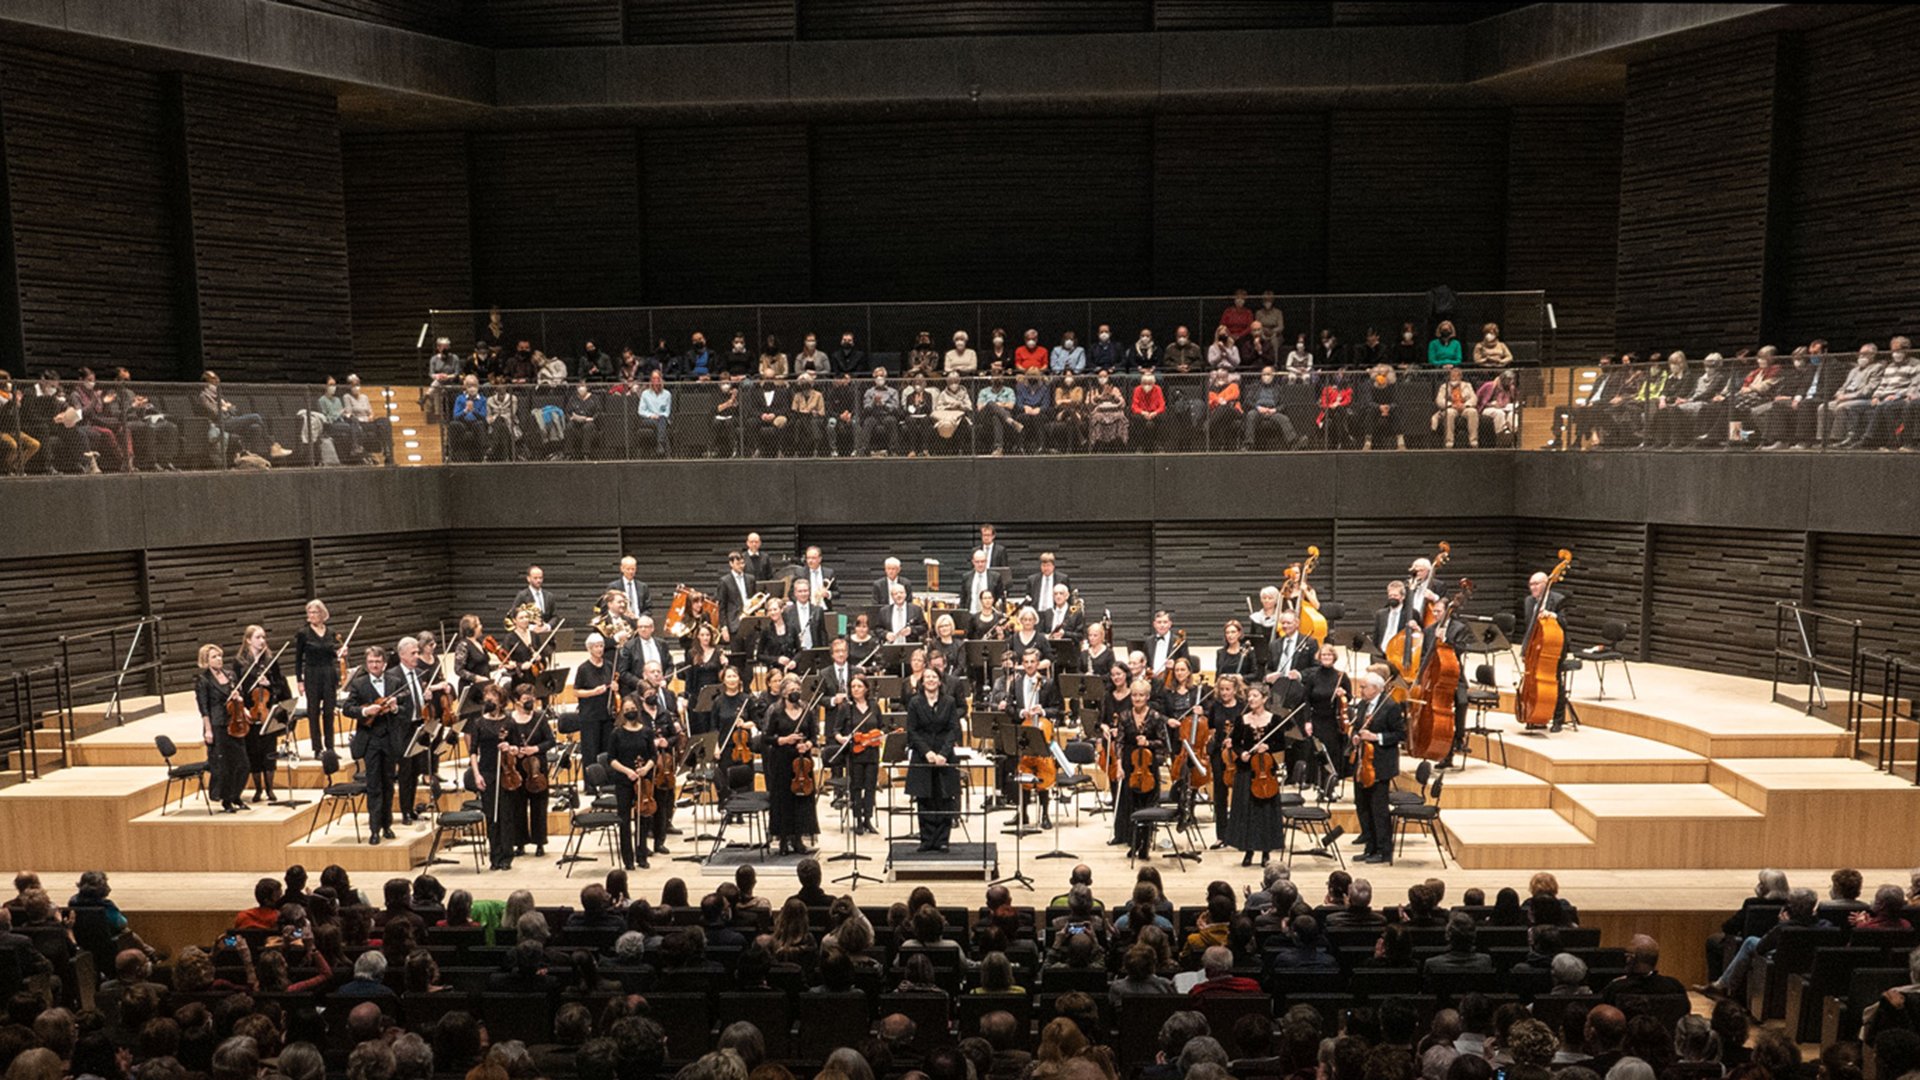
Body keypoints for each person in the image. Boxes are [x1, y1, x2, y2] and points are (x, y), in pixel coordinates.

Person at [343, 645, 410, 843]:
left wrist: (395, 708)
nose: (374, 665)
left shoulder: (395, 682)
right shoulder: (359, 684)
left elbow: (406, 709)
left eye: (377, 662)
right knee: (374, 785)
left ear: (384, 664)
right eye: (371, 662)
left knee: (388, 784)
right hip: (370, 740)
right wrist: (365, 711)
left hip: (389, 740)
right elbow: (347, 708)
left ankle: (387, 825)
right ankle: (374, 829)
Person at [1223, 683, 1286, 866]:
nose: (1251, 699)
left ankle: (1266, 852)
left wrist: (1268, 746)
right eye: (1249, 696)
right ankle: (1248, 851)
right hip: (1246, 771)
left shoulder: (1274, 720)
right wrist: (1241, 752)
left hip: (1265, 771)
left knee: (1265, 813)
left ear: (1264, 699)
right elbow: (1235, 743)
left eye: (1255, 696)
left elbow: (1281, 744)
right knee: (1247, 812)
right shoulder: (1242, 720)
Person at [906, 667, 964, 852]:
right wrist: (927, 752)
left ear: (939, 681)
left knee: (944, 798)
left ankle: (942, 840)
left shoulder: (949, 701)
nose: (930, 680)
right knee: (924, 798)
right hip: (923, 756)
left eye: (934, 677)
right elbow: (912, 731)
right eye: (927, 677)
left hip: (944, 755)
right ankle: (927, 840)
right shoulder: (915, 702)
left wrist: (943, 754)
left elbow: (953, 729)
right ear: (922, 682)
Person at [1349, 672, 1405, 864]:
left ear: (1376, 688)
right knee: (1363, 807)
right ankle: (1370, 847)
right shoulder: (1363, 704)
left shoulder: (1390, 706)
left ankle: (1383, 851)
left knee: (1378, 810)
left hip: (1380, 764)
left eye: (1364, 687)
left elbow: (1400, 734)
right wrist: (1355, 736)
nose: (1361, 690)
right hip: (1362, 764)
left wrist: (1376, 737)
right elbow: (1357, 727)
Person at [1109, 677, 1168, 859]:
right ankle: (1133, 842)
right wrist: (1119, 766)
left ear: (1147, 696)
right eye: (1134, 695)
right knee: (1131, 805)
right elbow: (1119, 742)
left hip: (1148, 765)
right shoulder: (1125, 716)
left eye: (1141, 695)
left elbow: (1164, 743)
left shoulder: (1155, 717)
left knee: (1148, 805)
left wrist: (1148, 742)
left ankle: (1145, 845)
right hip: (1130, 764)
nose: (1137, 699)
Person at [764, 672, 820, 856]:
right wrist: (784, 739)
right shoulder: (775, 710)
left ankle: (798, 839)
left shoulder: (807, 710)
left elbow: (814, 736)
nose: (795, 692)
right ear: (783, 692)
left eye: (797, 689)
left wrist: (808, 745)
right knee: (783, 799)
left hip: (802, 762)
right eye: (791, 689)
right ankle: (783, 839)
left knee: (802, 800)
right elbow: (766, 737)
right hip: (781, 760)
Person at [196, 643, 250, 814]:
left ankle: (236, 795)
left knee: (243, 763)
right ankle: (227, 800)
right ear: (206, 661)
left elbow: (240, 697)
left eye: (219, 656)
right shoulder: (203, 680)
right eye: (214, 657)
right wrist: (208, 730)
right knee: (225, 765)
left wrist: (239, 698)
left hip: (235, 722)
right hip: (218, 724)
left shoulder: (231, 675)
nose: (219, 659)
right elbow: (203, 707)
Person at [606, 702, 658, 870]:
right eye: (627, 710)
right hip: (624, 780)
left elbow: (653, 756)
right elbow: (611, 759)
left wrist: (646, 769)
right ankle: (628, 859)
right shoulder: (616, 733)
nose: (630, 712)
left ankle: (642, 855)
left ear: (638, 710)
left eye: (633, 709)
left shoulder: (647, 732)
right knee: (625, 820)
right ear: (622, 712)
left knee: (643, 817)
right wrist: (627, 771)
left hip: (643, 780)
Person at [832, 673, 883, 835]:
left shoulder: (874, 706)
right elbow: (836, 730)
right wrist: (842, 739)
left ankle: (868, 818)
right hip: (855, 753)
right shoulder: (846, 708)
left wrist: (879, 736)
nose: (855, 689)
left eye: (859, 686)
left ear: (866, 688)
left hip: (872, 752)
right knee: (856, 787)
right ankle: (858, 820)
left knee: (870, 787)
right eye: (853, 686)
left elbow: (881, 726)